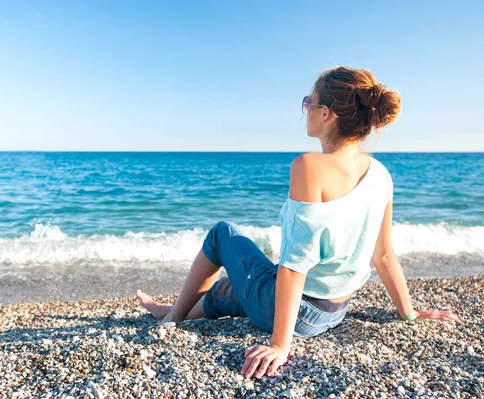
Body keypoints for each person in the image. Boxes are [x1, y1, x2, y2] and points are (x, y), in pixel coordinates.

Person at [135, 66, 464, 380]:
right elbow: (385, 255)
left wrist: (280, 344)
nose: (304, 109)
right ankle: (171, 308)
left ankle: (171, 320)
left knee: (223, 234)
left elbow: (294, 264)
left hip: (295, 316)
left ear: (325, 114)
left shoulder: (309, 166)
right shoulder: (381, 175)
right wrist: (409, 313)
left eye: (308, 102)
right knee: (232, 290)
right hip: (333, 313)